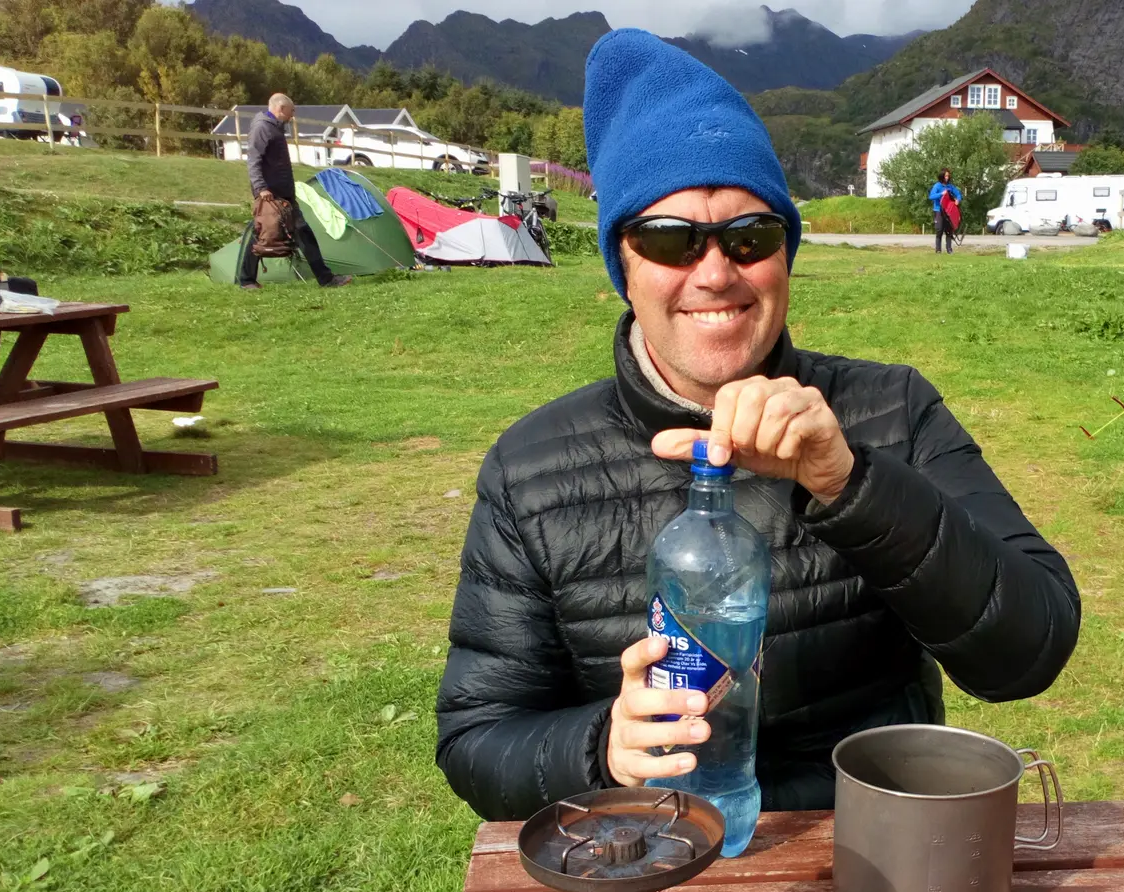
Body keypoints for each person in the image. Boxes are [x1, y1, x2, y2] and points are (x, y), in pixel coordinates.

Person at [434, 30, 1080, 821]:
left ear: (785, 254)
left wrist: (851, 485)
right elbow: (478, 739)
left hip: (864, 842)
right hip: (654, 851)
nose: (714, 272)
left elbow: (1030, 651)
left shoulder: (892, 410)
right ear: (622, 267)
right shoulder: (531, 468)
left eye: (750, 236)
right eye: (669, 239)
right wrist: (602, 745)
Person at [241, 93, 349, 290]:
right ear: (281, 109)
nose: (293, 115)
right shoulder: (262, 128)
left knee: (298, 233)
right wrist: (261, 188)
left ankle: (325, 278)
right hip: (271, 195)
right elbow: (253, 160)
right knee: (263, 233)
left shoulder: (275, 128)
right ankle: (247, 280)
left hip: (284, 194)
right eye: (291, 111)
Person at [928, 168, 962, 253]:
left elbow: (958, 194)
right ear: (942, 176)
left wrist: (958, 200)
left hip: (948, 211)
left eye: (948, 176)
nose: (947, 177)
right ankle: (938, 250)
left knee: (949, 230)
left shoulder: (950, 186)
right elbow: (931, 196)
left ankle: (949, 249)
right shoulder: (937, 186)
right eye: (946, 176)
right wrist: (941, 194)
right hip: (938, 210)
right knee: (939, 230)